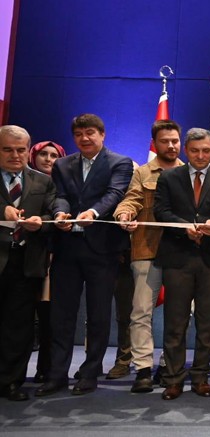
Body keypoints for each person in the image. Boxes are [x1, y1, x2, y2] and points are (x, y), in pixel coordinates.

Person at [37, 114, 134, 397]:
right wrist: (59, 213)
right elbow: (60, 195)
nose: (84, 138)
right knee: (61, 315)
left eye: (90, 132)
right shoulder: (62, 164)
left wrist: (93, 212)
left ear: (102, 134)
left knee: (99, 314)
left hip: (102, 249)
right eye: (79, 134)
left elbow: (115, 193)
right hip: (67, 247)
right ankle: (56, 375)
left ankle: (90, 373)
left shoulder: (120, 162)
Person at [153, 127, 210, 400]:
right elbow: (161, 210)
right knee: (175, 322)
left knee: (208, 322)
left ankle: (200, 377)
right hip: (178, 258)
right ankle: (173, 379)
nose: (200, 156)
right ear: (186, 150)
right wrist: (183, 227)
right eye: (195, 151)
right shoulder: (169, 176)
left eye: (206, 151)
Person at [113, 119, 183, 393]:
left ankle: (168, 364)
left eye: (175, 141)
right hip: (146, 249)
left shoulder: (189, 172)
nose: (171, 146)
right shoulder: (142, 172)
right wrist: (124, 214)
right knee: (141, 312)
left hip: (182, 253)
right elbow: (131, 199)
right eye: (165, 141)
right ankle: (143, 368)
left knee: (180, 313)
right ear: (155, 144)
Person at [0, 125, 55, 401]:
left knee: (19, 326)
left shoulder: (43, 181)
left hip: (25, 262)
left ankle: (10, 382)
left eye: (20, 150)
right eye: (7, 149)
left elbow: (53, 214)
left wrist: (40, 223)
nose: (15, 155)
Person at [26, 140, 65, 385]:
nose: (48, 159)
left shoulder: (64, 185)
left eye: (54, 155)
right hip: (23, 257)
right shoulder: (25, 182)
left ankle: (46, 368)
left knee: (50, 318)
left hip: (54, 258)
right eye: (43, 154)